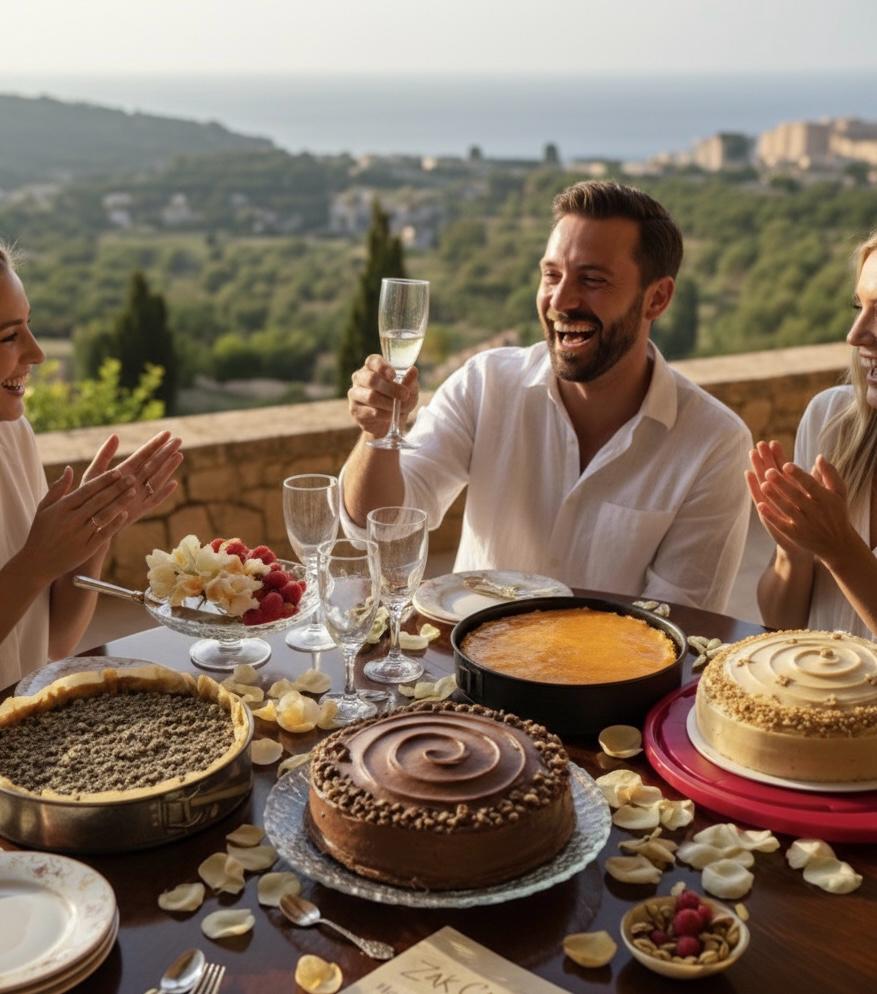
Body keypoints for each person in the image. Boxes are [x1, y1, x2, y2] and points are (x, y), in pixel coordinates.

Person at [341, 181, 751, 611]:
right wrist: (375, 434)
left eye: (592, 280)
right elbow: (377, 529)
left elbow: (680, 622)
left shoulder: (714, 442)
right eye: (552, 275)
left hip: (609, 676)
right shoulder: (486, 383)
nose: (560, 299)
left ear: (657, 298)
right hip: (466, 668)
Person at [0, 245, 183, 688]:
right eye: (8, 336)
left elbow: (55, 639)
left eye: (29, 325)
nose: (37, 353)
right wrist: (34, 564)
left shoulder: (12, 435)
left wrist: (97, 529)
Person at [748, 231, 877, 637]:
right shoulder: (831, 419)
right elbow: (781, 626)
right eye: (860, 306)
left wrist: (839, 548)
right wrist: (794, 554)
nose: (856, 335)